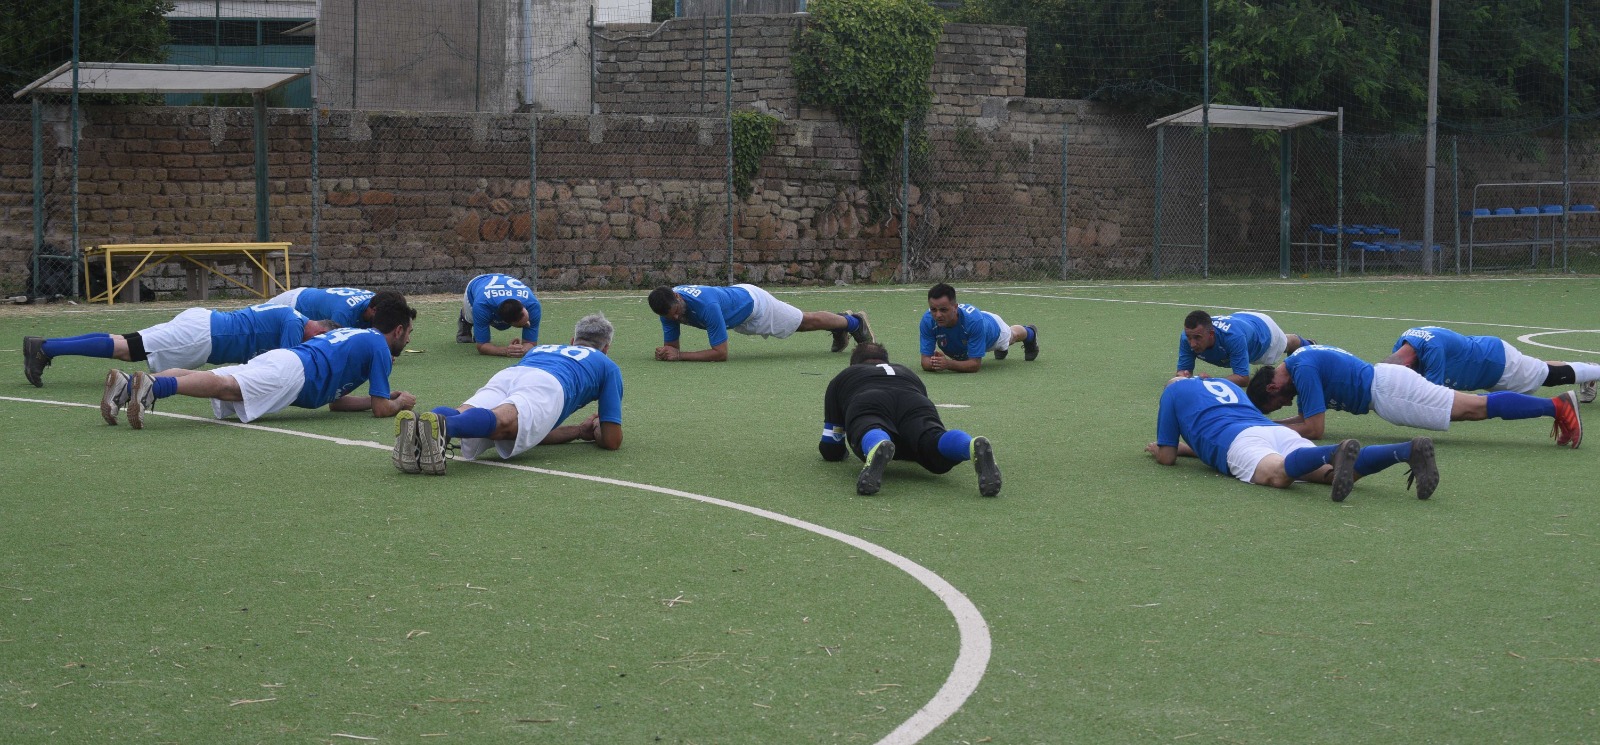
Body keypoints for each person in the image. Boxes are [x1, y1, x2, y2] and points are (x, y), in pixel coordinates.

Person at [99, 302, 417, 429]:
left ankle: (128, 386)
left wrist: (382, 399)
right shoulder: (378, 345)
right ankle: (154, 388)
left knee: (216, 380)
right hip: (295, 373)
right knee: (226, 387)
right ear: (398, 330)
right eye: (409, 333)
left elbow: (337, 404)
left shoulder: (360, 338)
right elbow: (380, 409)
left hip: (289, 364)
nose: (408, 340)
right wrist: (397, 403)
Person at [393, 313, 623, 475]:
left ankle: (427, 425)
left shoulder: (544, 347)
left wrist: (578, 432)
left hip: (513, 373)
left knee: (463, 412)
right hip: (550, 383)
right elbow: (612, 440)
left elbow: (537, 432)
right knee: (503, 423)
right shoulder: (606, 364)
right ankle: (445, 429)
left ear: (572, 341)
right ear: (606, 349)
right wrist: (596, 429)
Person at [1149, 376, 1439, 502]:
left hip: (1238, 442)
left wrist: (1156, 450)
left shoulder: (1173, 392)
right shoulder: (1223, 383)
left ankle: (1333, 452)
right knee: (1328, 474)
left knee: (1278, 475)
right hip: (1274, 431)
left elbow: (1167, 457)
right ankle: (1406, 450)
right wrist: (1193, 449)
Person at [1247, 344, 1583, 449]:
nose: (1286, 405)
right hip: (1387, 386)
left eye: (1278, 404)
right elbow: (1307, 422)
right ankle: (1553, 407)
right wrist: (1276, 423)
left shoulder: (1300, 370)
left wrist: (1267, 429)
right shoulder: (1298, 365)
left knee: (1474, 409)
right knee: (1471, 406)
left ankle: (1556, 406)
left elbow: (1315, 429)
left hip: (1390, 392)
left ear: (1273, 387)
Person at [820, 342, 1002, 497]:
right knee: (933, 437)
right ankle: (969, 445)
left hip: (868, 399)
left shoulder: (844, 377)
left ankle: (877, 443)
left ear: (854, 365)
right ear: (886, 361)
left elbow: (831, 446)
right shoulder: (905, 372)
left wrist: (839, 453)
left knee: (868, 425)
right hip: (914, 400)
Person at [22, 303, 331, 387]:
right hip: (203, 337)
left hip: (204, 328)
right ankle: (46, 348)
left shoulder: (294, 317)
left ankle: (46, 347)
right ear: (319, 330)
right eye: (321, 341)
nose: (317, 346)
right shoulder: (295, 325)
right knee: (124, 348)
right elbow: (292, 363)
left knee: (125, 345)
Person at [647, 284, 871, 362]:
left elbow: (721, 353)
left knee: (804, 322)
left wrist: (679, 356)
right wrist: (667, 352)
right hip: (737, 309)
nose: (675, 319)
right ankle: (841, 324)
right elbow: (672, 348)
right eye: (670, 317)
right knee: (803, 321)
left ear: (678, 298)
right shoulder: (666, 306)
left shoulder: (707, 307)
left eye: (676, 313)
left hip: (756, 306)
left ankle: (853, 322)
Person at [1384, 325, 1599, 404]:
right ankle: (1586, 369)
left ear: (1408, 364)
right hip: (1485, 360)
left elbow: (1432, 396)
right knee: (1539, 368)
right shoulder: (1401, 346)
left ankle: (1594, 371)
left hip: (1496, 363)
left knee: (1548, 377)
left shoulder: (1433, 351)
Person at [919, 283, 1038, 373]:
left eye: (943, 310)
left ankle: (1030, 333)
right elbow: (925, 362)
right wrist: (936, 362)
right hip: (974, 327)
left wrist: (947, 364)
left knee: (1012, 336)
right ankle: (1002, 349)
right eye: (933, 309)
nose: (938, 315)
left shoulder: (974, 322)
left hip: (993, 329)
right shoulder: (927, 320)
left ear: (955, 307)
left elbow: (974, 365)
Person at [1176, 309, 1314, 387]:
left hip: (1263, 333)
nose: (1192, 344)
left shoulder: (1233, 338)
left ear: (1211, 334)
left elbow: (1243, 378)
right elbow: (1183, 371)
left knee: (1285, 344)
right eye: (1190, 338)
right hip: (1242, 320)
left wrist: (1211, 382)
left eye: (1198, 338)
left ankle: (1308, 345)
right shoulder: (1186, 337)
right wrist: (1184, 377)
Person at [456, 273, 543, 358]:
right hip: (476, 284)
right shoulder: (481, 305)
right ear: (504, 322)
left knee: (481, 320)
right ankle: (465, 319)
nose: (528, 323)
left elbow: (531, 343)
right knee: (471, 317)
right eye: (522, 325)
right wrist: (506, 351)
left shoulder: (532, 305)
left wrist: (521, 350)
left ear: (521, 303)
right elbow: (482, 346)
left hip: (503, 282)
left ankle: (480, 325)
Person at [268, 286, 406, 329]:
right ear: (373, 310)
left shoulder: (378, 300)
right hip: (291, 304)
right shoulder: (344, 314)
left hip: (307, 295)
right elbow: (336, 348)